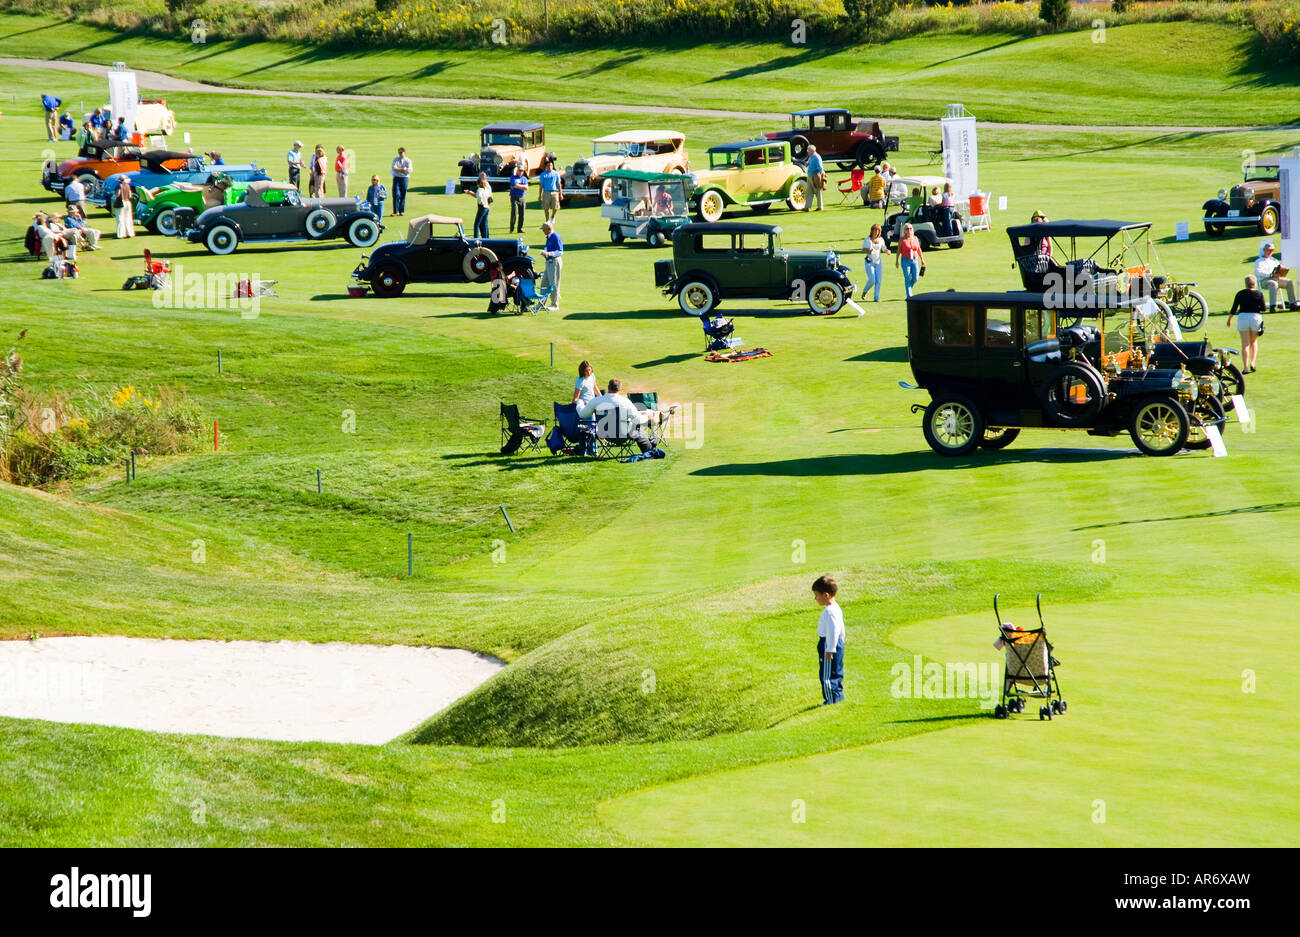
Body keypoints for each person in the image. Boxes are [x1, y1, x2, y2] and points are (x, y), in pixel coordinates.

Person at [578, 378, 653, 453]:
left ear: (608, 387)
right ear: (620, 389)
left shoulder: (596, 401)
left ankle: (651, 447)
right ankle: (649, 451)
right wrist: (647, 417)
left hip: (604, 435)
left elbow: (582, 414)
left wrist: (579, 403)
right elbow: (638, 420)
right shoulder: (625, 402)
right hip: (623, 436)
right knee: (638, 430)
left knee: (636, 430)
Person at [813, 575, 845, 705]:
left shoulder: (830, 612)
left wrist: (830, 649)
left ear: (826, 595)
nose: (815, 598)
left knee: (827, 675)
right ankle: (838, 697)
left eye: (816, 595)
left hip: (828, 644)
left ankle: (831, 700)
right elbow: (840, 630)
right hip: (835, 643)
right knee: (836, 672)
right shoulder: (835, 608)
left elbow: (832, 632)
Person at [1227, 274, 1266, 373]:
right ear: (1254, 284)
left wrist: (1229, 319)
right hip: (1255, 317)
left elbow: (1234, 308)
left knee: (1245, 344)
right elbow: (1263, 308)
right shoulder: (1259, 294)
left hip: (1243, 317)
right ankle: (1252, 363)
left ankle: (1245, 367)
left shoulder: (1240, 293)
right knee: (1253, 342)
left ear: (1246, 284)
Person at [1253, 241, 1299, 312]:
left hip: (1276, 279)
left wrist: (1282, 271)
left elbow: (1280, 267)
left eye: (1271, 250)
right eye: (1268, 250)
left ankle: (1293, 304)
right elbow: (1258, 273)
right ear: (1264, 250)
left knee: (1289, 282)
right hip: (1264, 281)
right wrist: (1270, 275)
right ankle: (1272, 306)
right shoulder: (1259, 261)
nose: (1269, 252)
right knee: (1273, 284)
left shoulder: (1274, 260)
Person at [861, 223, 888, 302]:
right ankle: (865, 291)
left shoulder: (881, 240)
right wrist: (868, 250)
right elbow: (863, 249)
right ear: (872, 231)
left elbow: (883, 248)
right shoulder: (867, 239)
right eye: (875, 230)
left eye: (878, 230)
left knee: (878, 280)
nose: (876, 232)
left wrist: (887, 251)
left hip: (878, 262)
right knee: (872, 279)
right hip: (869, 262)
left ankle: (876, 297)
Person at [896, 222, 924, 298]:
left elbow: (918, 249)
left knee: (915, 278)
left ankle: (909, 288)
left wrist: (922, 259)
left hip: (914, 260)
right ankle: (909, 295)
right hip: (905, 260)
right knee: (908, 277)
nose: (909, 230)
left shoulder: (915, 238)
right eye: (907, 229)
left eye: (910, 228)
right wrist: (897, 261)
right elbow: (898, 251)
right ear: (904, 230)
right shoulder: (902, 240)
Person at [539, 220, 563, 311]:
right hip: (549, 262)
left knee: (554, 283)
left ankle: (555, 305)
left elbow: (560, 252)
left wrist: (548, 254)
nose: (543, 231)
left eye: (544, 230)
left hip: (554, 262)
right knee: (544, 283)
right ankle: (541, 303)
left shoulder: (555, 236)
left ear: (549, 229)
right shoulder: (548, 236)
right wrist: (544, 252)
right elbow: (547, 247)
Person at [538, 159, 562, 223]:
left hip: (554, 192)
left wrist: (560, 194)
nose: (550, 167)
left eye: (551, 165)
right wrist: (540, 195)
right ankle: (547, 220)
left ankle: (553, 216)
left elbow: (559, 184)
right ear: (546, 166)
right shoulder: (543, 175)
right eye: (548, 165)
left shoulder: (556, 173)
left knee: (556, 207)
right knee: (546, 208)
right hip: (546, 192)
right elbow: (541, 185)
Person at [508, 160, 529, 233]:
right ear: (517, 171)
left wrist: (519, 186)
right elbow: (514, 185)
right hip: (514, 197)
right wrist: (522, 186)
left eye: (522, 171)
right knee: (514, 213)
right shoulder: (513, 177)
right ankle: (511, 228)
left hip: (522, 197)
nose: (521, 172)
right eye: (519, 170)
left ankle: (519, 228)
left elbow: (526, 187)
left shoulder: (524, 178)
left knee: (522, 214)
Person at [390, 146, 412, 216]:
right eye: (399, 153)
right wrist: (403, 170)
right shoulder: (396, 159)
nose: (400, 154)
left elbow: (409, 170)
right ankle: (395, 211)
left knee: (403, 194)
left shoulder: (408, 160)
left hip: (404, 179)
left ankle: (401, 211)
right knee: (396, 194)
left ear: (404, 152)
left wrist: (399, 170)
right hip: (396, 178)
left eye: (401, 152)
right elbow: (393, 168)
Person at [805, 145, 826, 212]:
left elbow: (820, 167)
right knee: (808, 192)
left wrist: (821, 177)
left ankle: (820, 207)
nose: (807, 151)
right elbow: (808, 163)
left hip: (815, 177)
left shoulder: (817, 157)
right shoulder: (811, 157)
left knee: (818, 192)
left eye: (808, 150)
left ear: (812, 151)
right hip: (810, 176)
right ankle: (806, 207)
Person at [473, 172, 492, 238]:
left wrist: (482, 203)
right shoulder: (486, 189)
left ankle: (476, 238)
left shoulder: (479, 190)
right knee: (484, 223)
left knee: (476, 224)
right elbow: (489, 197)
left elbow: (479, 197)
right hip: (487, 208)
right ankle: (486, 238)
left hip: (482, 207)